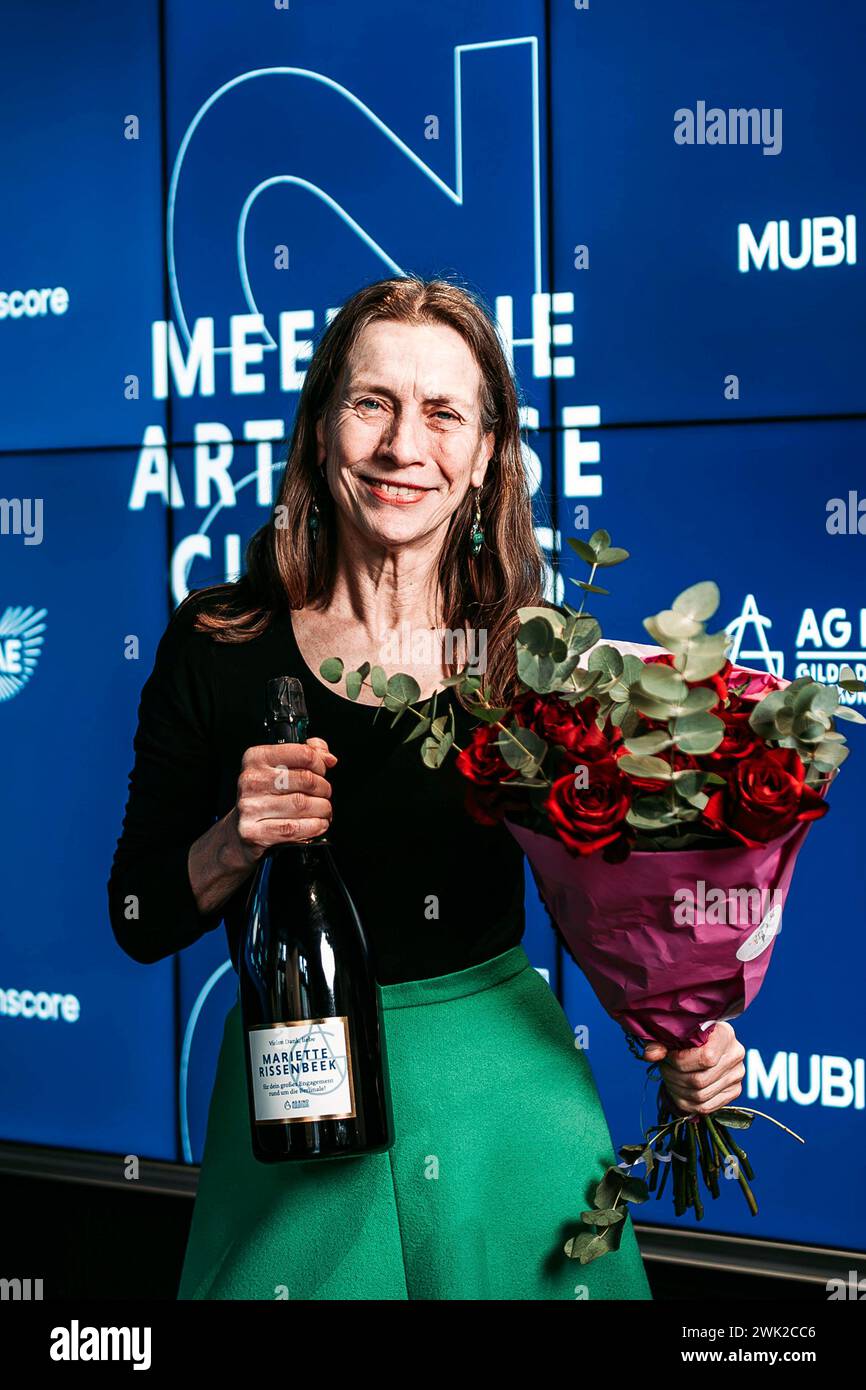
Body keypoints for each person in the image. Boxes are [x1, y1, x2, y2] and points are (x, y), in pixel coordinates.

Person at [108, 275, 746, 1301]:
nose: (405, 446)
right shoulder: (216, 641)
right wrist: (235, 837)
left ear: (488, 452)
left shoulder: (528, 654)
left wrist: (684, 1030)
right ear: (321, 428)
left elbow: (609, 905)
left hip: (505, 1108)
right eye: (372, 404)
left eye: (443, 413)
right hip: (296, 1096)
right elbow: (136, 917)